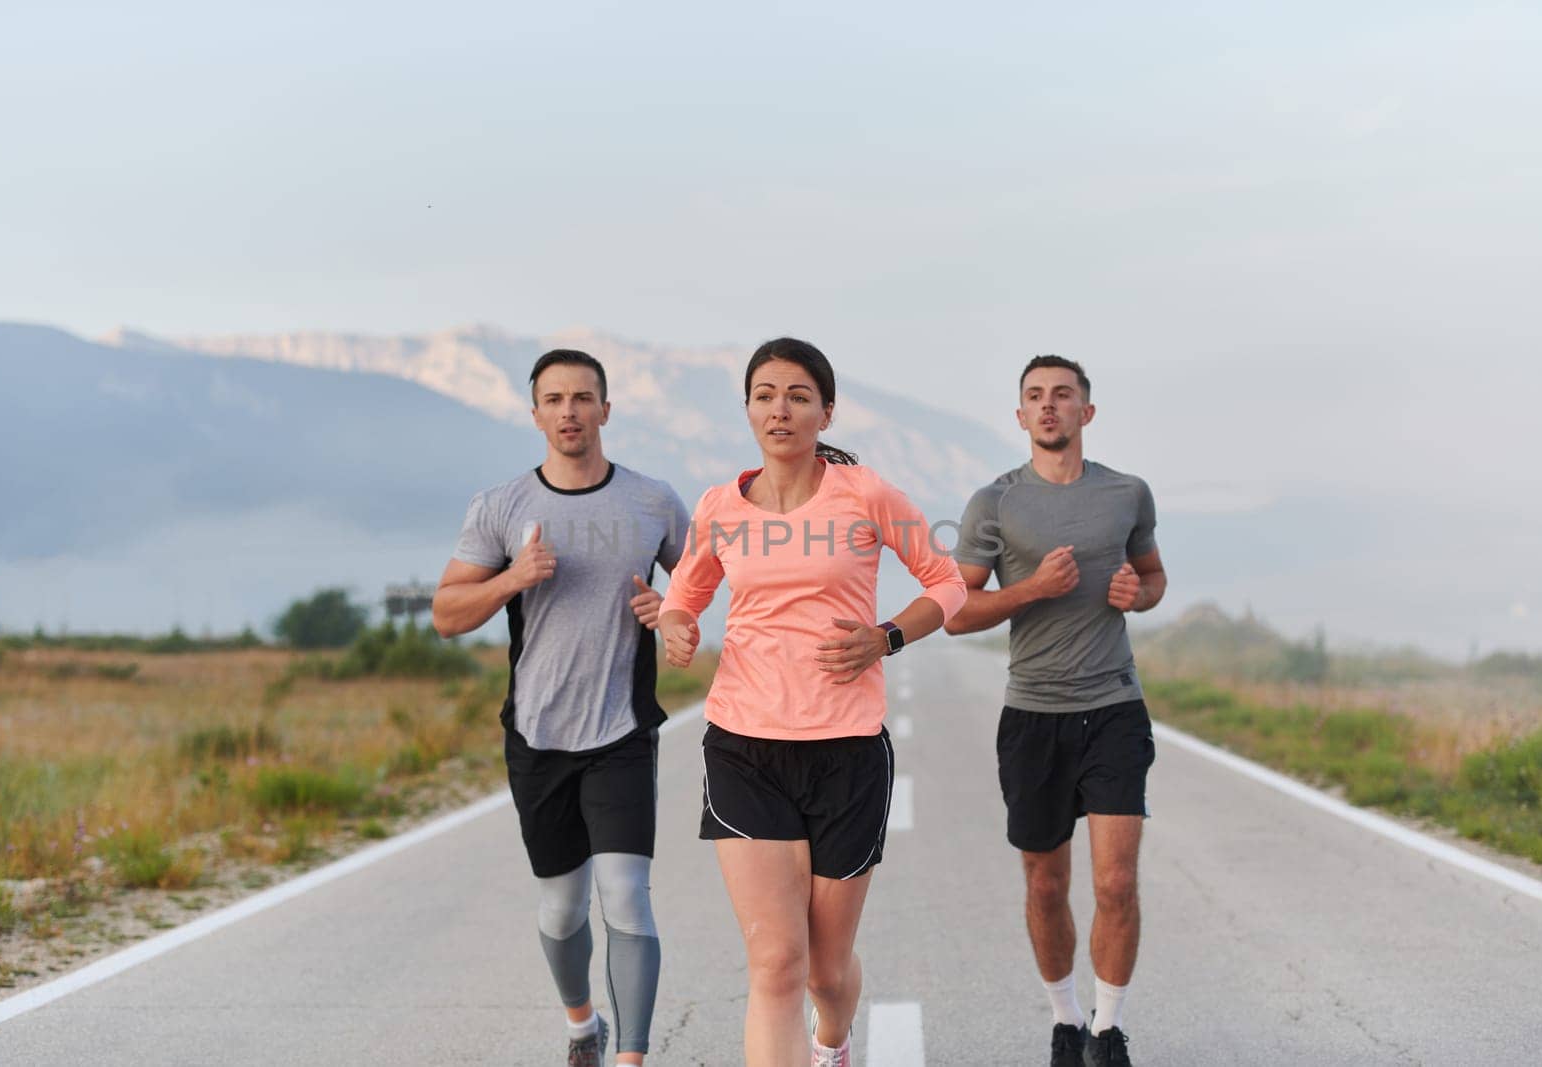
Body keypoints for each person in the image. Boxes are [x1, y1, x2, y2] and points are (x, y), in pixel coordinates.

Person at [657, 337, 966, 1067]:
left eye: (797, 395)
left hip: (847, 750)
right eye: (764, 394)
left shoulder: (866, 494)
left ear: (826, 411)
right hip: (743, 744)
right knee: (776, 967)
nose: (780, 408)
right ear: (747, 410)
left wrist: (884, 637)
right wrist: (676, 624)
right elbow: (684, 596)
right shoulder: (719, 506)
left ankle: (834, 1041)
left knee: (827, 970)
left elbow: (947, 584)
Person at [433, 349, 689, 1067]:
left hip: (622, 729)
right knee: (561, 909)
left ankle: (633, 1058)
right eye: (555, 399)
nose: (570, 411)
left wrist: (670, 609)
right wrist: (512, 578)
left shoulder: (652, 500)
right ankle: (583, 1023)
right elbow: (447, 614)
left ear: (606, 409)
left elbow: (709, 579)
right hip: (537, 734)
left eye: (583, 397)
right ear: (536, 412)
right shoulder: (502, 506)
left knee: (626, 896)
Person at [946, 355, 1166, 1067]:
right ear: (1019, 416)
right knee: (1045, 883)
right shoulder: (995, 503)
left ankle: (1108, 1030)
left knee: (1116, 881)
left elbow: (1153, 575)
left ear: (1086, 413)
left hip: (1113, 706)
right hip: (1033, 713)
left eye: (1062, 395)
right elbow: (955, 610)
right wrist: (1032, 588)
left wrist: (1143, 592)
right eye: (1035, 397)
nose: (1048, 407)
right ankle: (1066, 1019)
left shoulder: (1128, 493)